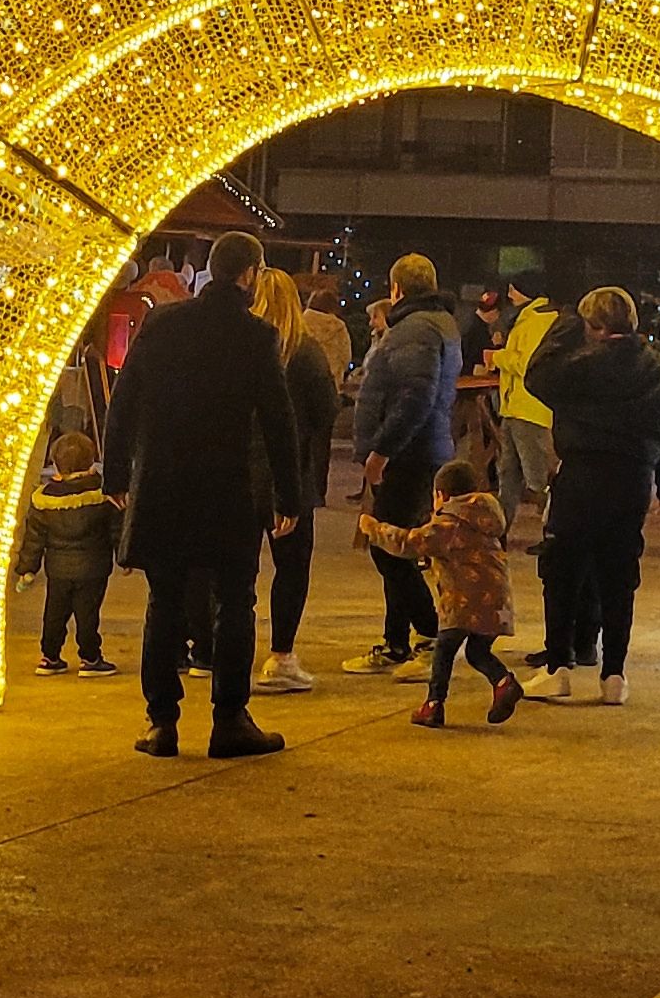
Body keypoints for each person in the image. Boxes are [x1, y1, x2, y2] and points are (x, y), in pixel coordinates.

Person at [104, 232, 303, 759]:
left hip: (165, 486)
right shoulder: (256, 335)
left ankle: (161, 723)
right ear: (251, 274)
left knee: (164, 600)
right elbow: (279, 421)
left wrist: (116, 474)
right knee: (234, 601)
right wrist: (288, 496)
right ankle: (229, 720)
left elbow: (125, 399)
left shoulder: (164, 323)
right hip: (228, 486)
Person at [523, 285, 660, 703]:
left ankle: (558, 667)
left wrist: (564, 325)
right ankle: (614, 675)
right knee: (618, 578)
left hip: (582, 474)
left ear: (593, 327)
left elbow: (536, 376)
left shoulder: (581, 366)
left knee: (562, 571)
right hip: (633, 480)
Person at [346, 252, 460, 677]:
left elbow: (414, 396)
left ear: (396, 289)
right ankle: (396, 643)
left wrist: (381, 452)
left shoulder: (416, 329)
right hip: (420, 449)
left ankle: (431, 637)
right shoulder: (436, 324)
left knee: (390, 550)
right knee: (393, 545)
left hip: (408, 454)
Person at [362, 460, 522, 727]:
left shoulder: (449, 524)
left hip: (463, 601)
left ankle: (434, 704)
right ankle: (504, 682)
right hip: (497, 600)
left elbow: (408, 542)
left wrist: (373, 529)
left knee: (443, 651)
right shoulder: (487, 517)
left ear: (442, 495)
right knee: (477, 652)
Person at [252, 264, 341, 696]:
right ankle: (281, 655)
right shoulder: (304, 352)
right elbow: (326, 410)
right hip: (292, 473)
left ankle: (215, 651)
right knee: (291, 567)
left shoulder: (239, 348)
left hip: (240, 474)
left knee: (235, 570)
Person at [13, 432, 121, 676]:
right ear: (91, 460)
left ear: (55, 463)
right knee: (88, 614)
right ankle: (90, 658)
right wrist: (125, 557)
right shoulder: (101, 494)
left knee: (54, 612)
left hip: (58, 570)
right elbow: (116, 529)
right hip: (94, 568)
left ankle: (50, 656)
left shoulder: (45, 500)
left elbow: (34, 538)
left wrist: (27, 568)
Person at [495, 285, 564, 543]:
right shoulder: (529, 317)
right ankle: (498, 533)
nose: (510, 296)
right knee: (508, 476)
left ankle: (556, 533)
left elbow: (526, 363)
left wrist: (498, 357)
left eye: (513, 290)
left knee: (538, 479)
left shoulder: (539, 320)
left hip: (529, 409)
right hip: (515, 407)